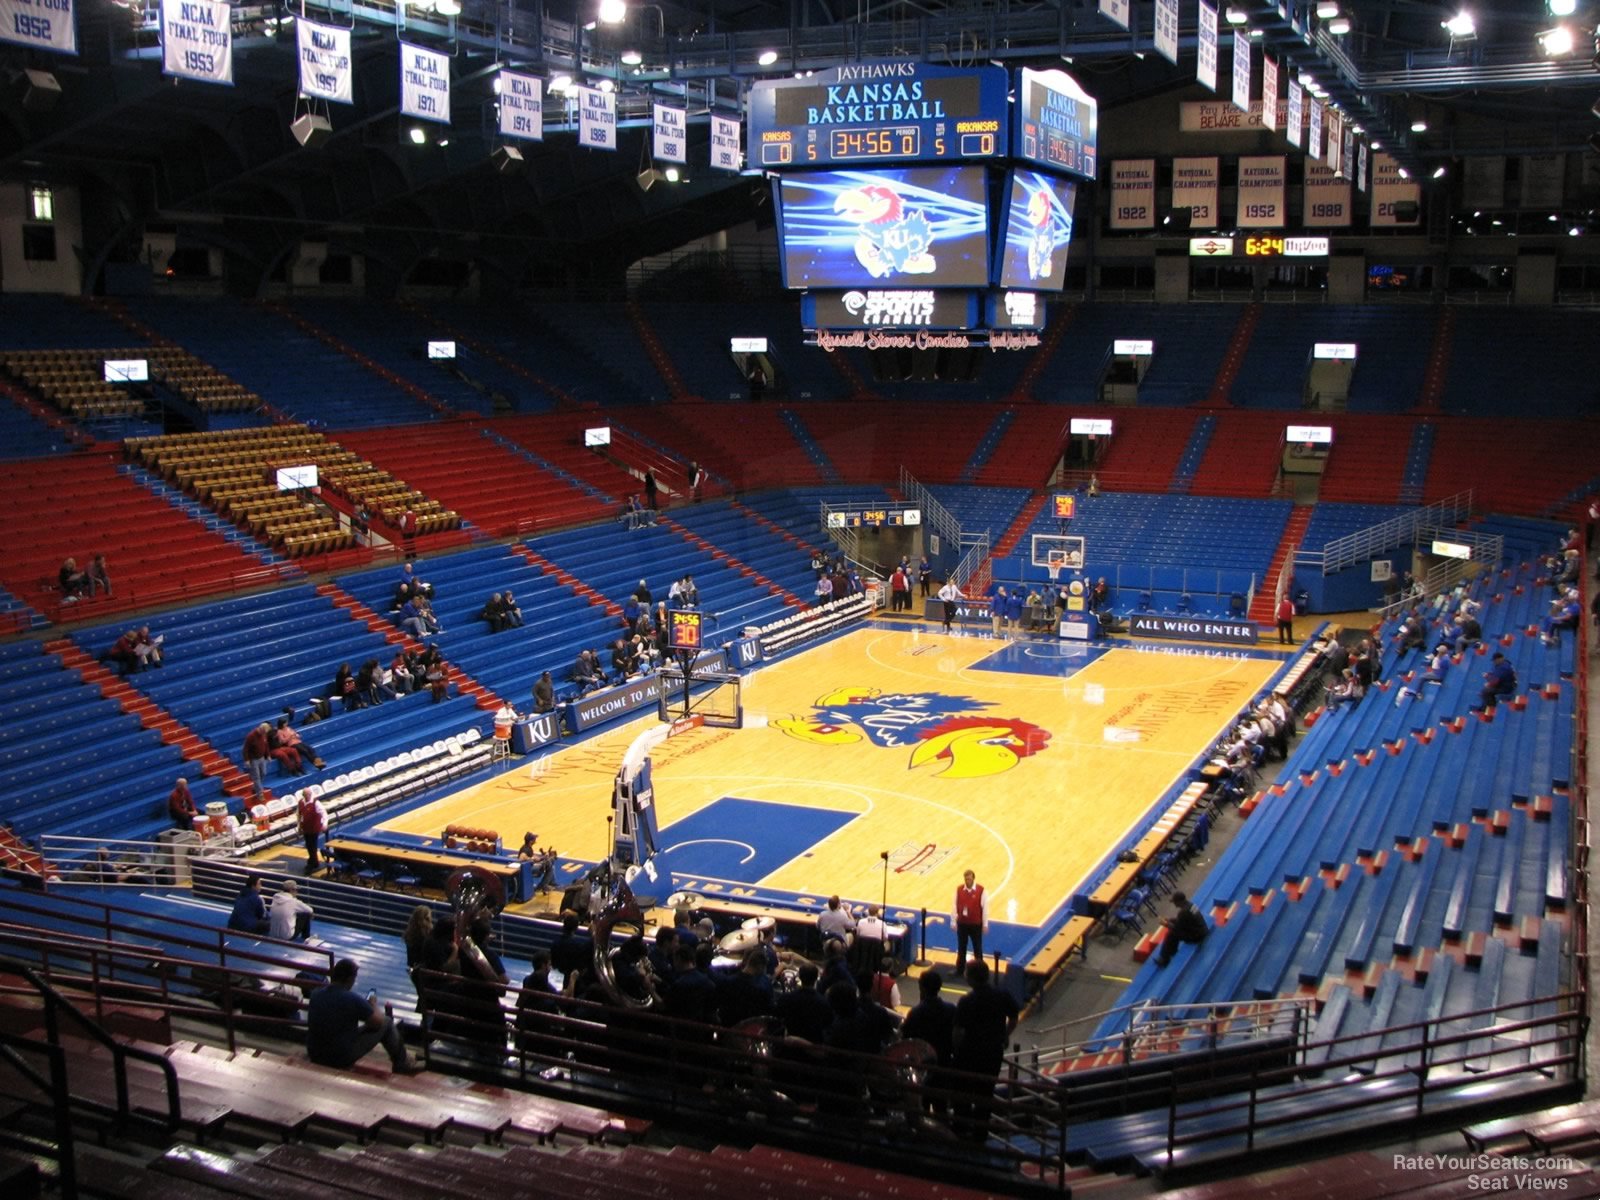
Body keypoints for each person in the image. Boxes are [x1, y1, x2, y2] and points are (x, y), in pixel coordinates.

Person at [307, 958, 419, 1074]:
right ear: (350, 979)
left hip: (315, 1054)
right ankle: (402, 1064)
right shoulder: (352, 999)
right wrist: (373, 1005)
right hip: (339, 1057)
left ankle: (402, 1062)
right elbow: (378, 1023)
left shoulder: (316, 994)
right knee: (387, 1022)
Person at [951, 960, 1019, 1143]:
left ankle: (961, 1131)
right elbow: (1014, 1016)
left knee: (963, 1093)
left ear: (970, 978)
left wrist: (956, 1052)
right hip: (992, 1053)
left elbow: (958, 1033)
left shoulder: (966, 1001)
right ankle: (980, 1134)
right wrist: (1005, 1035)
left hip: (969, 1054)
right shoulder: (1002, 995)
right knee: (985, 1093)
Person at [900, 969, 956, 1114]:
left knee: (921, 1107)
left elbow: (906, 1038)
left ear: (922, 988)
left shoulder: (916, 1013)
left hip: (922, 1066)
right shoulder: (950, 1010)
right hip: (943, 1063)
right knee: (941, 1107)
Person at [1155, 891, 1210, 967]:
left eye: (1175, 902)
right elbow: (1183, 921)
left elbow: (1177, 929)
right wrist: (1170, 920)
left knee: (1171, 934)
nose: (1174, 904)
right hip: (1201, 929)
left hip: (1197, 936)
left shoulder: (1183, 912)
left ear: (1179, 901)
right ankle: (1172, 952)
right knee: (1173, 928)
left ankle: (1164, 959)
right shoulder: (1190, 905)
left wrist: (1166, 924)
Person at [954, 869, 986, 974]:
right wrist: (953, 921)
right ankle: (959, 970)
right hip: (962, 923)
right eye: (966, 878)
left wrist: (985, 924)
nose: (967, 880)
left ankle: (980, 971)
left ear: (973, 878)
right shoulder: (959, 889)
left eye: (969, 878)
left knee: (977, 948)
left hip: (975, 924)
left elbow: (985, 908)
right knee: (961, 948)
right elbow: (954, 906)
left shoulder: (981, 890)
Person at [298, 790, 327, 875]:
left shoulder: (316, 803)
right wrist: (299, 826)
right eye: (306, 794)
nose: (308, 796)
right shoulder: (301, 802)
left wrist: (324, 824)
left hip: (314, 828)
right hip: (305, 828)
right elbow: (299, 815)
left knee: (312, 846)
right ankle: (314, 862)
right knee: (308, 845)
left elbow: (324, 813)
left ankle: (312, 863)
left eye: (309, 794)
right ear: (303, 795)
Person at [242, 723, 271, 801]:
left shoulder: (263, 735)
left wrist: (268, 755)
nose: (265, 734)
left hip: (262, 758)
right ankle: (260, 793)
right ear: (261, 729)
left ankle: (256, 787)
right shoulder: (251, 736)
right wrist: (247, 760)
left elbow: (266, 745)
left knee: (264, 773)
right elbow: (245, 749)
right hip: (253, 759)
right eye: (264, 732)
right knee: (256, 777)